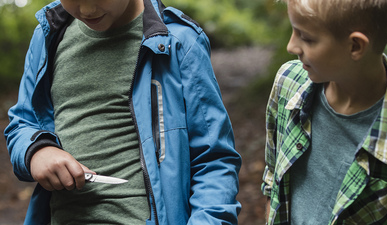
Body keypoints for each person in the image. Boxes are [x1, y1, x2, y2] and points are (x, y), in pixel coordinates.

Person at [4, 0, 242, 224]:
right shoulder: (49, 35)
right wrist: (37, 151)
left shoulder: (179, 42)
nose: (86, 8)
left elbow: (214, 162)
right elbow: (23, 123)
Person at [261, 0, 387, 224]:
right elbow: (272, 179)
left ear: (355, 46)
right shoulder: (288, 83)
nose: (291, 46)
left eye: (306, 38)